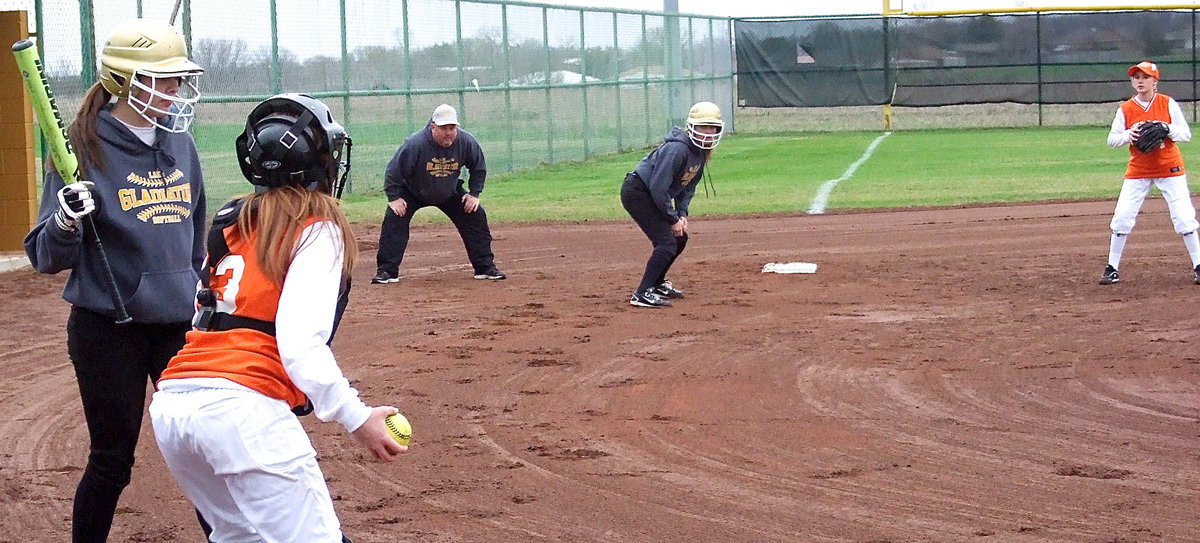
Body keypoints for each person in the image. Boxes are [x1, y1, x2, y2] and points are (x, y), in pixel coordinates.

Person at [149, 94, 406, 543]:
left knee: (240, 538)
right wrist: (356, 416)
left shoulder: (230, 219)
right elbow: (300, 344)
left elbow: (202, 313)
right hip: (242, 409)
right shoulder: (316, 225)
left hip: (175, 406)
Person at [22, 19, 205, 542]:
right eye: (164, 80)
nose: (176, 91)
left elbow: (194, 233)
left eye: (178, 79)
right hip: (109, 329)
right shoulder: (80, 149)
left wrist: (198, 295)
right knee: (112, 460)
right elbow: (44, 256)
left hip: (179, 325)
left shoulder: (181, 143)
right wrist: (65, 220)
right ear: (125, 82)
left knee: (204, 454)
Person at [372, 103, 506, 283]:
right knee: (394, 219)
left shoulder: (466, 142)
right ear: (432, 127)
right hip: (413, 190)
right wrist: (394, 198)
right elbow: (394, 171)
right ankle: (387, 271)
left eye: (452, 128)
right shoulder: (415, 144)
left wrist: (474, 193)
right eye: (444, 128)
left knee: (475, 215)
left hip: (449, 191)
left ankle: (484, 267)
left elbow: (478, 167)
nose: (448, 133)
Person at [1101, 61, 1200, 285]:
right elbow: (1112, 140)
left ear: (1155, 81)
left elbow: (1185, 134)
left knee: (1184, 218)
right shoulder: (1125, 109)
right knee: (1122, 217)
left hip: (1170, 168)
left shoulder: (1167, 103)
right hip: (1139, 169)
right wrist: (1129, 135)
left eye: (1145, 77)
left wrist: (1167, 128)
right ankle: (1111, 268)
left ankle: (1198, 266)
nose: (1140, 81)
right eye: (1136, 77)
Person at [621, 101, 724, 307]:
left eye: (712, 127)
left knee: (680, 238)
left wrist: (682, 214)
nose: (708, 132)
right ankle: (641, 293)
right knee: (666, 243)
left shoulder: (700, 152)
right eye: (703, 126)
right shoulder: (677, 149)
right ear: (692, 127)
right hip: (638, 193)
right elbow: (658, 188)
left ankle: (657, 283)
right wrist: (672, 218)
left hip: (652, 194)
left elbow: (687, 187)